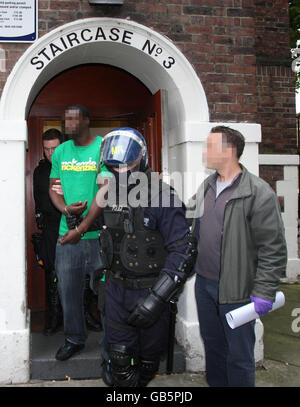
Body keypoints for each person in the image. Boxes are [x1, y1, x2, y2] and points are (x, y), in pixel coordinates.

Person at [60, 127, 198, 387]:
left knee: (146, 365)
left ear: (141, 159)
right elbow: (106, 226)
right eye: (114, 166)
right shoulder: (110, 195)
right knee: (119, 367)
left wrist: (157, 299)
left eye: (127, 165)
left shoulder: (162, 196)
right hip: (115, 291)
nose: (120, 171)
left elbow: (185, 252)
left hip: (150, 291)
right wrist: (80, 221)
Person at [189, 125, 287, 387]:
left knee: (239, 356)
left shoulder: (259, 193)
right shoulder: (207, 186)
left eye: (211, 146)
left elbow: (273, 248)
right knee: (214, 349)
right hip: (205, 285)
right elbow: (187, 216)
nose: (205, 151)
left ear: (229, 151)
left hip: (239, 291)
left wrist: (265, 290)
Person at [49, 104, 106, 361]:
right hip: (66, 235)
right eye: (65, 119)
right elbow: (54, 188)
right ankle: (74, 339)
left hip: (100, 237)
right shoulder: (61, 151)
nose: (67, 123)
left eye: (72, 119)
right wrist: (65, 210)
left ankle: (113, 346)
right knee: (68, 292)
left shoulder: (103, 147)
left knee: (107, 295)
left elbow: (105, 193)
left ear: (86, 120)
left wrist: (81, 228)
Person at [33, 128, 63, 335]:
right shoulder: (40, 171)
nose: (51, 153)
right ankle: (53, 317)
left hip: (73, 224)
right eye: (46, 149)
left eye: (55, 148)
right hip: (51, 227)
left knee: (81, 273)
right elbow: (37, 198)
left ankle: (86, 313)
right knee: (51, 271)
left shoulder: (73, 167)